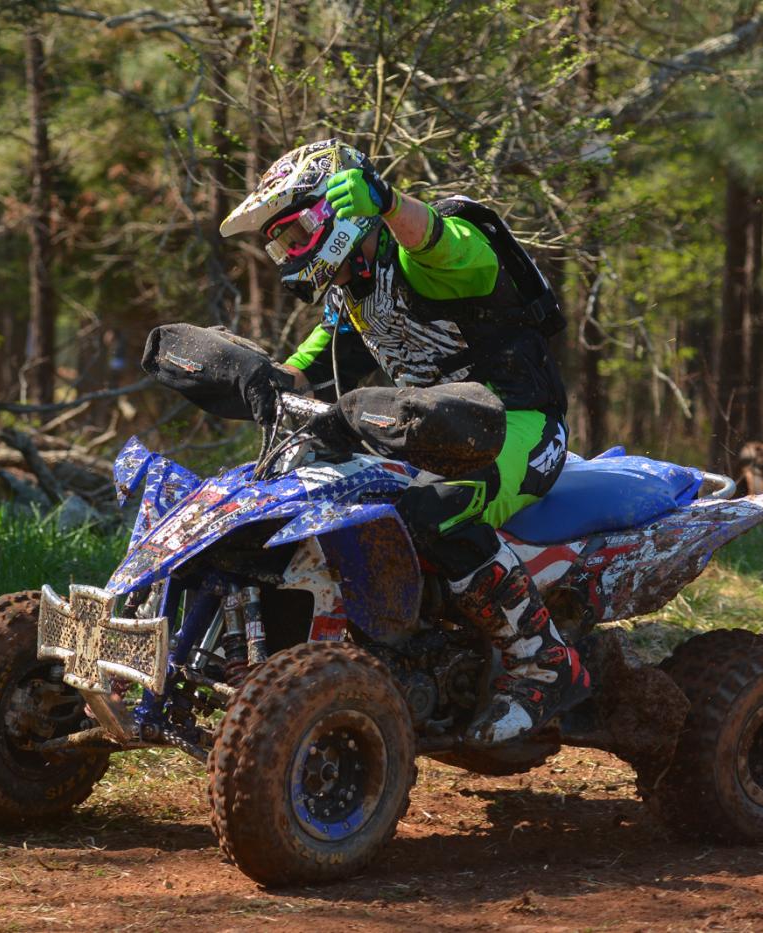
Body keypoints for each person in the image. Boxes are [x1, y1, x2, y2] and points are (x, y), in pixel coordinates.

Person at [215, 138, 589, 748]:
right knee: (310, 492)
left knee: (434, 511)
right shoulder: (355, 291)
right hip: (422, 428)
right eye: (279, 242)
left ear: (342, 211)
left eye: (297, 231)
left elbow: (438, 237)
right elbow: (312, 363)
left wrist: (389, 201)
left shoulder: (431, 254)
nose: (289, 253)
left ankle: (543, 662)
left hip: (517, 421)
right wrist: (262, 383)